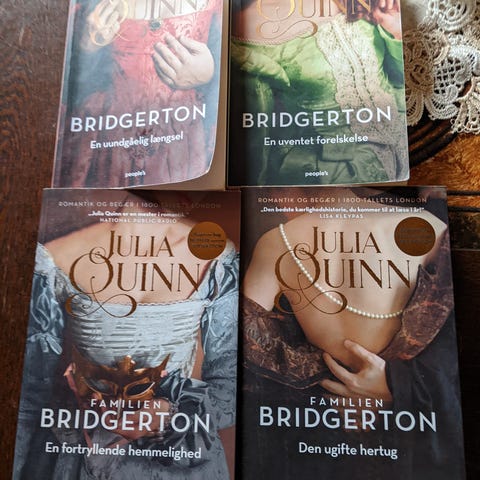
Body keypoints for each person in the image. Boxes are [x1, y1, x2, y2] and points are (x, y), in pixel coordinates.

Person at [240, 188, 465, 479]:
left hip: (317, 435)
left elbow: (245, 353)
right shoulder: (430, 228)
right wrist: (396, 386)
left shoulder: (276, 241)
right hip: (407, 439)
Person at [13, 193, 239, 479]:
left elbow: (231, 387)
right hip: (84, 457)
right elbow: (29, 398)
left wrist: (168, 412)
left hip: (178, 459)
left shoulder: (217, 256)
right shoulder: (59, 255)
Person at [229, 0, 409, 185]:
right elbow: (259, 150)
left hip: (408, 143)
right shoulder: (243, 25)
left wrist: (395, 31)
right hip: (343, 174)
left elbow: (397, 78)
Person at [55, 0, 223, 187]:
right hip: (107, 136)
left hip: (184, 140)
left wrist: (210, 74)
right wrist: (86, 48)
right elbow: (67, 78)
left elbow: (235, 73)